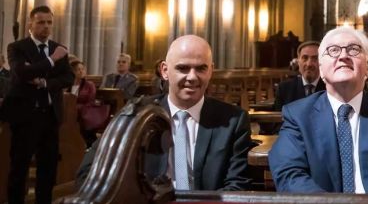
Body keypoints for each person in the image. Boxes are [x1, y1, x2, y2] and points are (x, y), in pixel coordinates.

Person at [77, 35, 252, 191]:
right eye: (183, 68)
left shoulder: (233, 120)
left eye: (201, 68)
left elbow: (237, 187)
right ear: (165, 71)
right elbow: (89, 172)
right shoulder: (137, 115)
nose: (192, 77)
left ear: (211, 71)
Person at [269, 26, 368, 193]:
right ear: (322, 69)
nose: (343, 56)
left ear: (366, 68)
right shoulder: (298, 115)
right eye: (333, 50)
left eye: (353, 50)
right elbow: (289, 173)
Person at [1, 5, 73, 204]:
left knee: (48, 168)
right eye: (41, 22)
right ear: (30, 25)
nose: (46, 27)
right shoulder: (17, 47)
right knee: (19, 167)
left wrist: (45, 82)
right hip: (25, 115)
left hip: (50, 115)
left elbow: (68, 77)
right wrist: (52, 60)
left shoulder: (58, 47)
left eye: (49, 22)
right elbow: (22, 73)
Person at [274, 41, 324, 111]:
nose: (309, 64)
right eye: (305, 58)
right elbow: (278, 119)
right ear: (298, 61)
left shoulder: (331, 89)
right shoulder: (284, 89)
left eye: (315, 58)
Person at [69, 59, 99, 146]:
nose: (81, 71)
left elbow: (91, 101)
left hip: (86, 112)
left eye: (83, 69)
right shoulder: (69, 84)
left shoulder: (89, 85)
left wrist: (77, 107)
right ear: (72, 71)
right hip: (71, 111)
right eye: (78, 69)